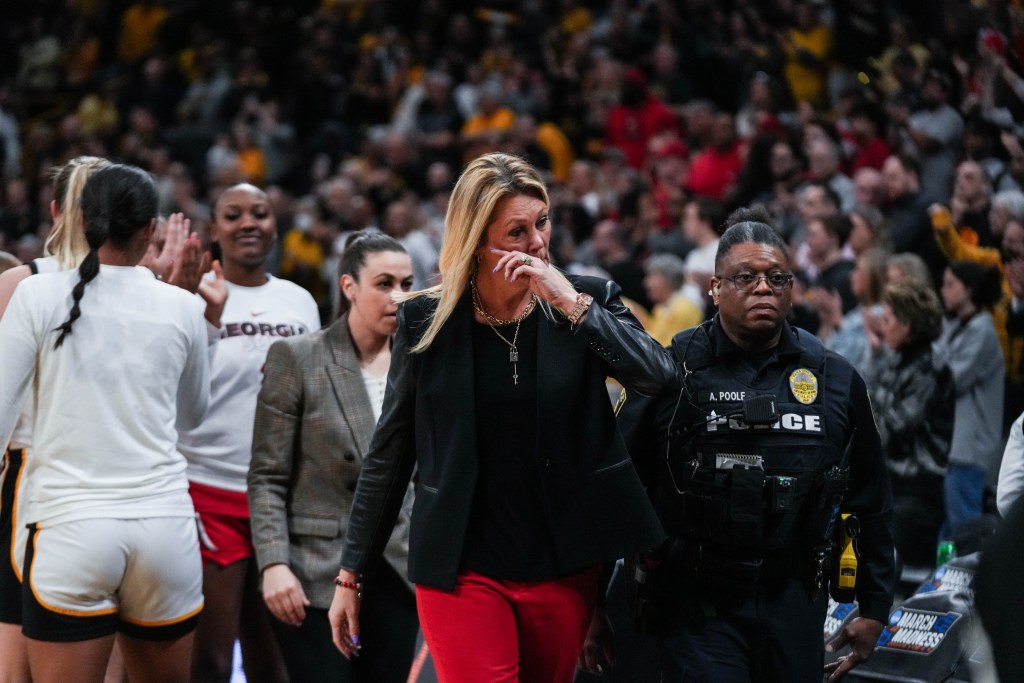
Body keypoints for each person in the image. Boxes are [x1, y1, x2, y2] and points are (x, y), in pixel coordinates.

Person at [328, 152, 675, 682]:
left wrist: (570, 303)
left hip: (562, 563)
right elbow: (391, 451)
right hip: (461, 566)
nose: (537, 242)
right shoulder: (425, 318)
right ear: (476, 238)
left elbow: (658, 378)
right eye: (517, 231)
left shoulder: (587, 302)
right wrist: (352, 574)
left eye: (542, 222)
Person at [622, 207, 895, 682]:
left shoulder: (834, 377)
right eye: (745, 277)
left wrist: (874, 605)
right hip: (695, 601)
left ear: (793, 288)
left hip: (795, 598)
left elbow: (870, 496)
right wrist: (593, 603)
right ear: (715, 287)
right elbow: (618, 486)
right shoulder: (672, 370)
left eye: (777, 277)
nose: (763, 288)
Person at [0, 163, 215, 683]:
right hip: (165, 529)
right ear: (150, 229)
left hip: (71, 529)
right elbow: (193, 417)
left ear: (80, 218)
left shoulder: (36, 294)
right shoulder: (184, 306)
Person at [248, 232, 418, 682]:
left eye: (407, 284)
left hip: (401, 572)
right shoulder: (299, 357)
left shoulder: (421, 361)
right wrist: (273, 563)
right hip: (316, 572)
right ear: (349, 287)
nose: (399, 297)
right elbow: (267, 475)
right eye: (384, 283)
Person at [178, 182, 320, 683]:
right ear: (214, 230)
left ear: (274, 225)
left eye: (259, 214)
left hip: (279, 496)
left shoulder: (300, 301)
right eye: (233, 215)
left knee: (275, 660)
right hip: (208, 490)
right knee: (210, 659)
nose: (248, 224)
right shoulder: (189, 297)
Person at [0, 155, 109, 683]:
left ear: (53, 211)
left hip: (31, 479)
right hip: (117, 481)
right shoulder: (149, 288)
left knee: (18, 658)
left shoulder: (20, 283)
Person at [863, 283, 953, 572]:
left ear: (908, 325)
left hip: (917, 493)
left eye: (888, 320)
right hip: (890, 484)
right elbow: (868, 399)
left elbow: (892, 426)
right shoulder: (896, 358)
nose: (883, 326)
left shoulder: (932, 368)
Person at [935, 261, 1005, 537]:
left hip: (971, 448)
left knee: (965, 528)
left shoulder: (983, 330)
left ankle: (969, 579)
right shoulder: (957, 327)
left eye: (950, 284)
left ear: (970, 289)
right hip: (954, 447)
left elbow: (953, 378)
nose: (944, 291)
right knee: (951, 528)